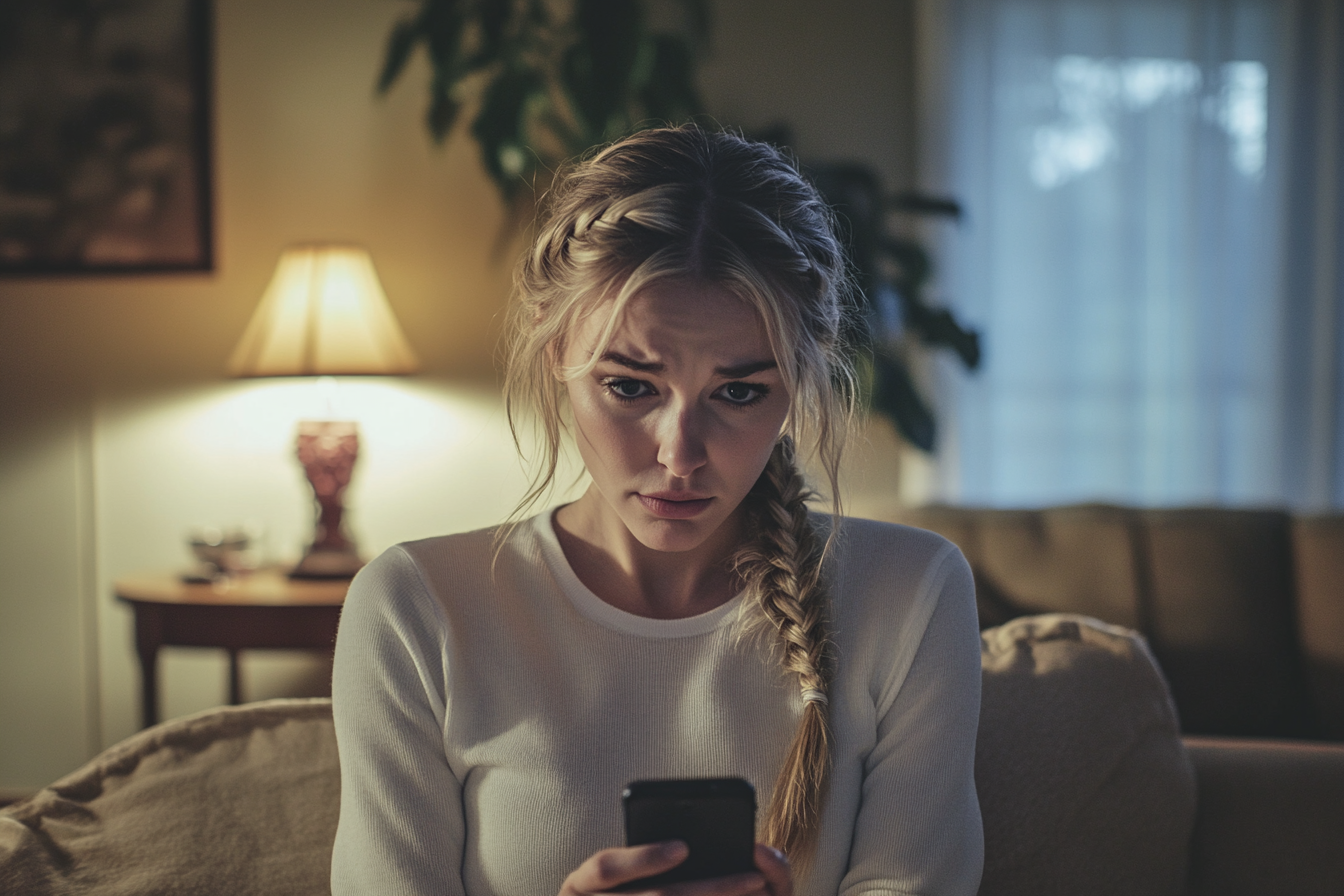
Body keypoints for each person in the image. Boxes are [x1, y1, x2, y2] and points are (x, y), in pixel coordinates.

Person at [330, 125, 984, 896]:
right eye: (631, 386)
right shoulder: (417, 606)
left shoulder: (910, 593)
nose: (680, 454)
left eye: (739, 392)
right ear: (559, 360)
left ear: (800, 383)